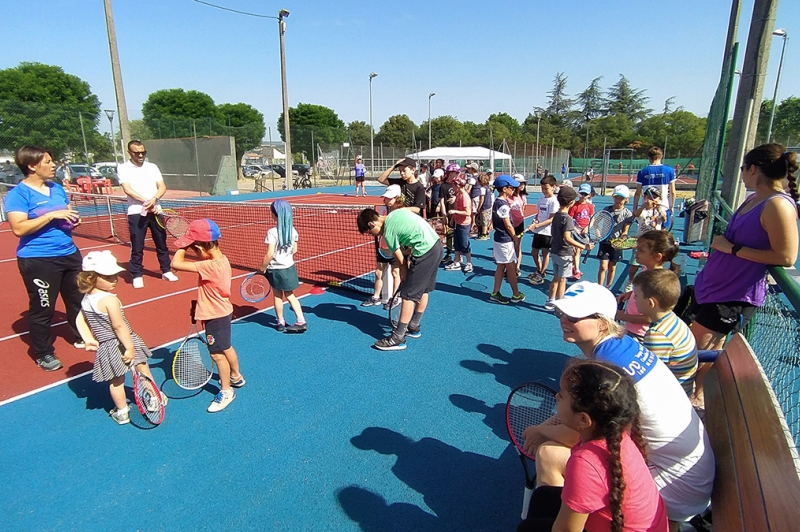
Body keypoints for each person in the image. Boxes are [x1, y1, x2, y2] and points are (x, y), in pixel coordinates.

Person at [524, 282, 714, 529]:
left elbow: (579, 433)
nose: (564, 320)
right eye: (561, 313)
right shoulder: (622, 348)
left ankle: (563, 516)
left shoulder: (607, 368)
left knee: (549, 454)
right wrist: (547, 426)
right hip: (692, 476)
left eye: (574, 316)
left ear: (602, 322)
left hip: (677, 488)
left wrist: (540, 430)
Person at [689, 144, 799, 406]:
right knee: (705, 348)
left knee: (697, 349)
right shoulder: (753, 198)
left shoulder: (778, 205)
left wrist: (732, 248)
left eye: (741, 169)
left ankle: (699, 397)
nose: (740, 174)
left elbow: (786, 257)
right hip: (714, 286)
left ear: (752, 169)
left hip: (734, 293)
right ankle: (699, 394)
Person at [516, 360, 668, 532]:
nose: (556, 396)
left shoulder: (586, 463)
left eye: (562, 395)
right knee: (542, 497)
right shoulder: (615, 435)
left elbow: (566, 530)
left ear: (583, 419)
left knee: (528, 528)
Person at [4, 146, 84, 371]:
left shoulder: (57, 188)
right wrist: (50, 216)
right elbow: (19, 229)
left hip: (69, 253)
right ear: (32, 166)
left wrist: (72, 220)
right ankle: (43, 353)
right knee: (43, 307)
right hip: (39, 260)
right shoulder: (18, 195)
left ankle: (80, 336)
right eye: (47, 161)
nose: (53, 165)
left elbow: (66, 213)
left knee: (77, 300)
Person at [75, 251, 165, 424]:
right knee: (143, 371)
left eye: (114, 275)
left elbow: (79, 319)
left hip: (106, 347)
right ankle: (154, 400)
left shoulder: (86, 300)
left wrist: (88, 339)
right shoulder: (110, 300)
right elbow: (118, 325)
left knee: (116, 381)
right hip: (125, 341)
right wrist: (129, 347)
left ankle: (122, 412)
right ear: (89, 278)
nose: (114, 279)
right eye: (108, 277)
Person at [171, 219, 244, 412]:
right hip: (222, 311)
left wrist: (183, 244)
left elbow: (175, 263)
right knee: (226, 346)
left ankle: (226, 391)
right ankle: (236, 376)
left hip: (215, 316)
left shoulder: (209, 266)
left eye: (195, 250)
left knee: (217, 354)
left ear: (203, 248)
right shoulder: (222, 260)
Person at [356, 206, 443, 351]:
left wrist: (405, 279)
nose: (373, 236)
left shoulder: (388, 234)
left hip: (424, 252)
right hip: (436, 245)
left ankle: (398, 337)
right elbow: (414, 210)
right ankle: (413, 326)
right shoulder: (396, 212)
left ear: (372, 224)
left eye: (370, 232)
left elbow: (401, 262)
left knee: (408, 296)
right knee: (424, 290)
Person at [117, 140, 178, 289]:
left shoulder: (152, 167)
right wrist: (147, 203)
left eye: (143, 152)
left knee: (161, 243)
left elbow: (162, 186)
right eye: (136, 152)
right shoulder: (123, 168)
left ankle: (166, 270)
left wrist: (154, 200)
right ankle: (137, 274)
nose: (140, 155)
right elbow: (127, 189)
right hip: (136, 212)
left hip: (157, 211)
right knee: (137, 245)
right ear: (129, 152)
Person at [633, 269, 698, 396]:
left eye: (636, 296)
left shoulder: (658, 335)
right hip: (683, 387)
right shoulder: (673, 320)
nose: (634, 299)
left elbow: (650, 375)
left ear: (650, 303)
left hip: (671, 396)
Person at [257, 199, 307, 334]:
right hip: (289, 267)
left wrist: (261, 269)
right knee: (290, 295)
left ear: (275, 214)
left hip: (275, 269)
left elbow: (269, 254)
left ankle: (280, 321)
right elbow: (295, 250)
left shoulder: (272, 232)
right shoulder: (293, 230)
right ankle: (300, 320)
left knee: (277, 295)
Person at [617, 231, 678, 341]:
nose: (636, 252)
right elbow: (643, 291)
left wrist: (622, 317)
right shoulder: (646, 269)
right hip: (632, 328)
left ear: (657, 256)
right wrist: (630, 294)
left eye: (641, 250)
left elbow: (649, 318)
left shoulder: (656, 282)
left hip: (640, 334)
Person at [545, 186, 592, 309]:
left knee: (555, 277)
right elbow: (567, 238)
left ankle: (550, 301)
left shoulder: (556, 215)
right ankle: (560, 305)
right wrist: (584, 246)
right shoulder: (568, 219)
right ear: (571, 202)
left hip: (554, 251)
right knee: (562, 280)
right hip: (564, 253)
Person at [361, 185, 404, 308]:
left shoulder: (400, 213)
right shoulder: (385, 211)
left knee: (396, 273)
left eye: (389, 198)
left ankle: (395, 298)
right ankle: (376, 297)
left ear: (397, 198)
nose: (386, 200)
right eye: (385, 198)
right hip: (383, 248)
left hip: (395, 248)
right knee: (378, 273)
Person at [489, 175, 525, 304]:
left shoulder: (497, 202)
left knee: (500, 266)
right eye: (511, 187)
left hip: (499, 239)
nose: (514, 189)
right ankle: (516, 294)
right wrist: (515, 237)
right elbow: (508, 224)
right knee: (511, 268)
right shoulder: (503, 205)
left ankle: (495, 292)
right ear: (505, 189)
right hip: (505, 241)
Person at [625, 186, 667, 292]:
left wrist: (659, 208)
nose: (652, 200)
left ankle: (651, 282)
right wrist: (644, 205)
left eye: (655, 197)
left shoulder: (660, 210)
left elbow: (665, 219)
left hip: (655, 242)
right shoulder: (643, 210)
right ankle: (630, 280)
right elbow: (636, 214)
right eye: (649, 197)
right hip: (642, 241)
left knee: (653, 264)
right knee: (635, 263)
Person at [596, 185, 633, 289]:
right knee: (603, 266)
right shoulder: (606, 209)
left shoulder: (627, 213)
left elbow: (625, 230)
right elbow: (596, 222)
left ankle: (608, 286)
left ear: (626, 199)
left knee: (612, 267)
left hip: (616, 244)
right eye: (616, 197)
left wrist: (623, 238)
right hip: (604, 242)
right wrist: (598, 232)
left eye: (621, 198)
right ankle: (600, 287)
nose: (618, 200)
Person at [526, 175, 559, 285]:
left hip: (548, 232)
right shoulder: (541, 199)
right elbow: (538, 213)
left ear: (553, 187)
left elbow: (551, 219)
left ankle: (542, 272)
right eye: (542, 188)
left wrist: (536, 225)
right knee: (534, 252)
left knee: (545, 253)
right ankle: (539, 270)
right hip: (538, 231)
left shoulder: (554, 201)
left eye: (546, 188)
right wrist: (534, 221)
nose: (544, 191)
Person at [632, 147, 676, 228]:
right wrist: (671, 206)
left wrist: (635, 208)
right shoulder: (670, 171)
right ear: (661, 156)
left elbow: (638, 192)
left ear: (649, 157)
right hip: (663, 206)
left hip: (647, 206)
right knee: (662, 234)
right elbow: (672, 191)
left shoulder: (642, 172)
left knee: (646, 232)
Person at [444, 173, 474, 273]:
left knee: (465, 244)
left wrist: (454, 212)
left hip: (464, 224)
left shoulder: (464, 197)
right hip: (457, 222)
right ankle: (457, 261)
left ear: (457, 185)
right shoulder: (458, 195)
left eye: (453, 185)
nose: (452, 187)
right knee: (456, 243)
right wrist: (453, 219)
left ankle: (469, 263)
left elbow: (468, 212)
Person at [568, 183, 595, 280]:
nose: (583, 196)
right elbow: (570, 219)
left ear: (589, 195)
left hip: (585, 232)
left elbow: (592, 219)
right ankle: (577, 271)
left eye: (585, 194)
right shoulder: (574, 206)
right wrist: (575, 229)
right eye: (581, 193)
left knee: (579, 251)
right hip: (576, 232)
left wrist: (587, 227)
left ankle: (573, 266)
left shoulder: (590, 206)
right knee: (577, 251)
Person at [510, 174, 529, 276]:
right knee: (510, 247)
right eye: (519, 183)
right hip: (510, 225)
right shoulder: (508, 197)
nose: (522, 185)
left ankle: (517, 267)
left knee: (517, 246)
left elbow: (523, 211)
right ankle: (509, 267)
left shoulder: (523, 197)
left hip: (519, 225)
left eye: (523, 183)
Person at [475, 173, 493, 240]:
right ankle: (486, 232)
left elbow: (481, 199)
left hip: (484, 206)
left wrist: (479, 207)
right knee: (486, 220)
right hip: (488, 205)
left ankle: (484, 234)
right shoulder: (487, 188)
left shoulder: (482, 189)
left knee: (484, 221)